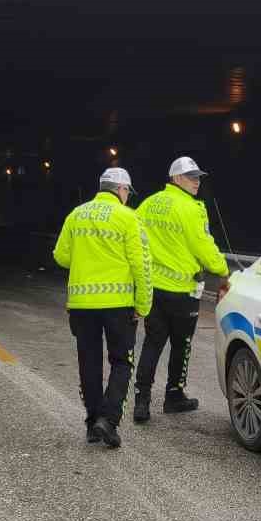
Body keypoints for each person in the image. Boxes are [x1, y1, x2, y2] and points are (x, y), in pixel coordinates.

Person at [53, 168, 152, 448]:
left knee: (90, 363)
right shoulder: (129, 218)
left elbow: (61, 256)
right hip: (119, 306)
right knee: (122, 362)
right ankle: (108, 421)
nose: (126, 197)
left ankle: (91, 422)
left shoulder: (76, 215)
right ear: (121, 190)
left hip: (82, 306)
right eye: (126, 193)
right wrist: (143, 306)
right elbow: (142, 267)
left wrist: (87, 259)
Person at [131, 156, 230, 423]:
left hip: (154, 290)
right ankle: (174, 395)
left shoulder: (148, 204)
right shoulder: (192, 208)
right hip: (183, 291)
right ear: (176, 179)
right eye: (191, 177)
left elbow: (133, 237)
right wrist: (223, 270)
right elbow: (203, 246)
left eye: (198, 177)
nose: (197, 182)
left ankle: (142, 402)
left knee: (152, 343)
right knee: (181, 344)